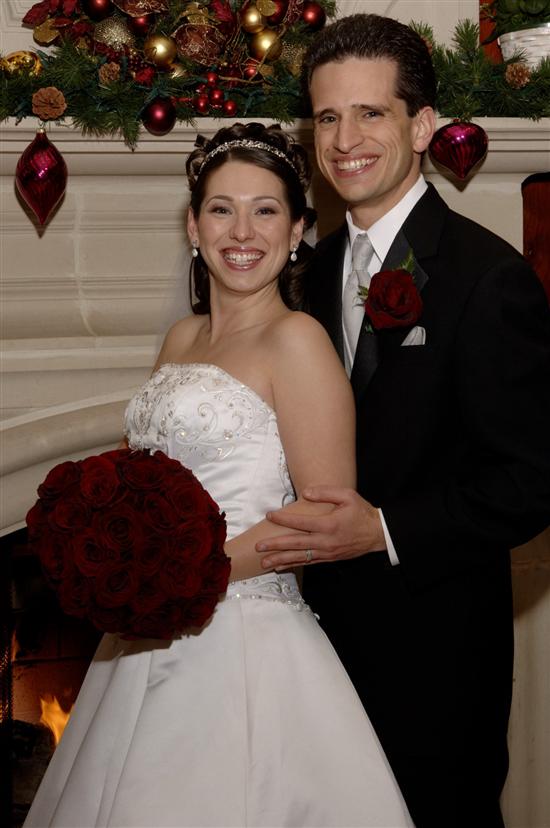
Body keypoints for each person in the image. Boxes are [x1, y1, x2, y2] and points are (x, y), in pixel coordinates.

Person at [23, 122, 413, 828]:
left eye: (265, 210)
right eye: (221, 209)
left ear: (297, 231)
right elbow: (142, 478)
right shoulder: (183, 337)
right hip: (140, 637)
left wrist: (180, 578)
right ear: (194, 227)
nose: (242, 231)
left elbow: (326, 517)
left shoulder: (297, 341)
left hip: (243, 641)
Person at [256, 14, 550, 828]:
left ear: (422, 127)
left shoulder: (488, 278)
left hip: (437, 662)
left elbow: (533, 480)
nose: (344, 140)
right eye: (326, 116)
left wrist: (384, 529)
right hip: (312, 650)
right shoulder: (306, 275)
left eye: (370, 113)